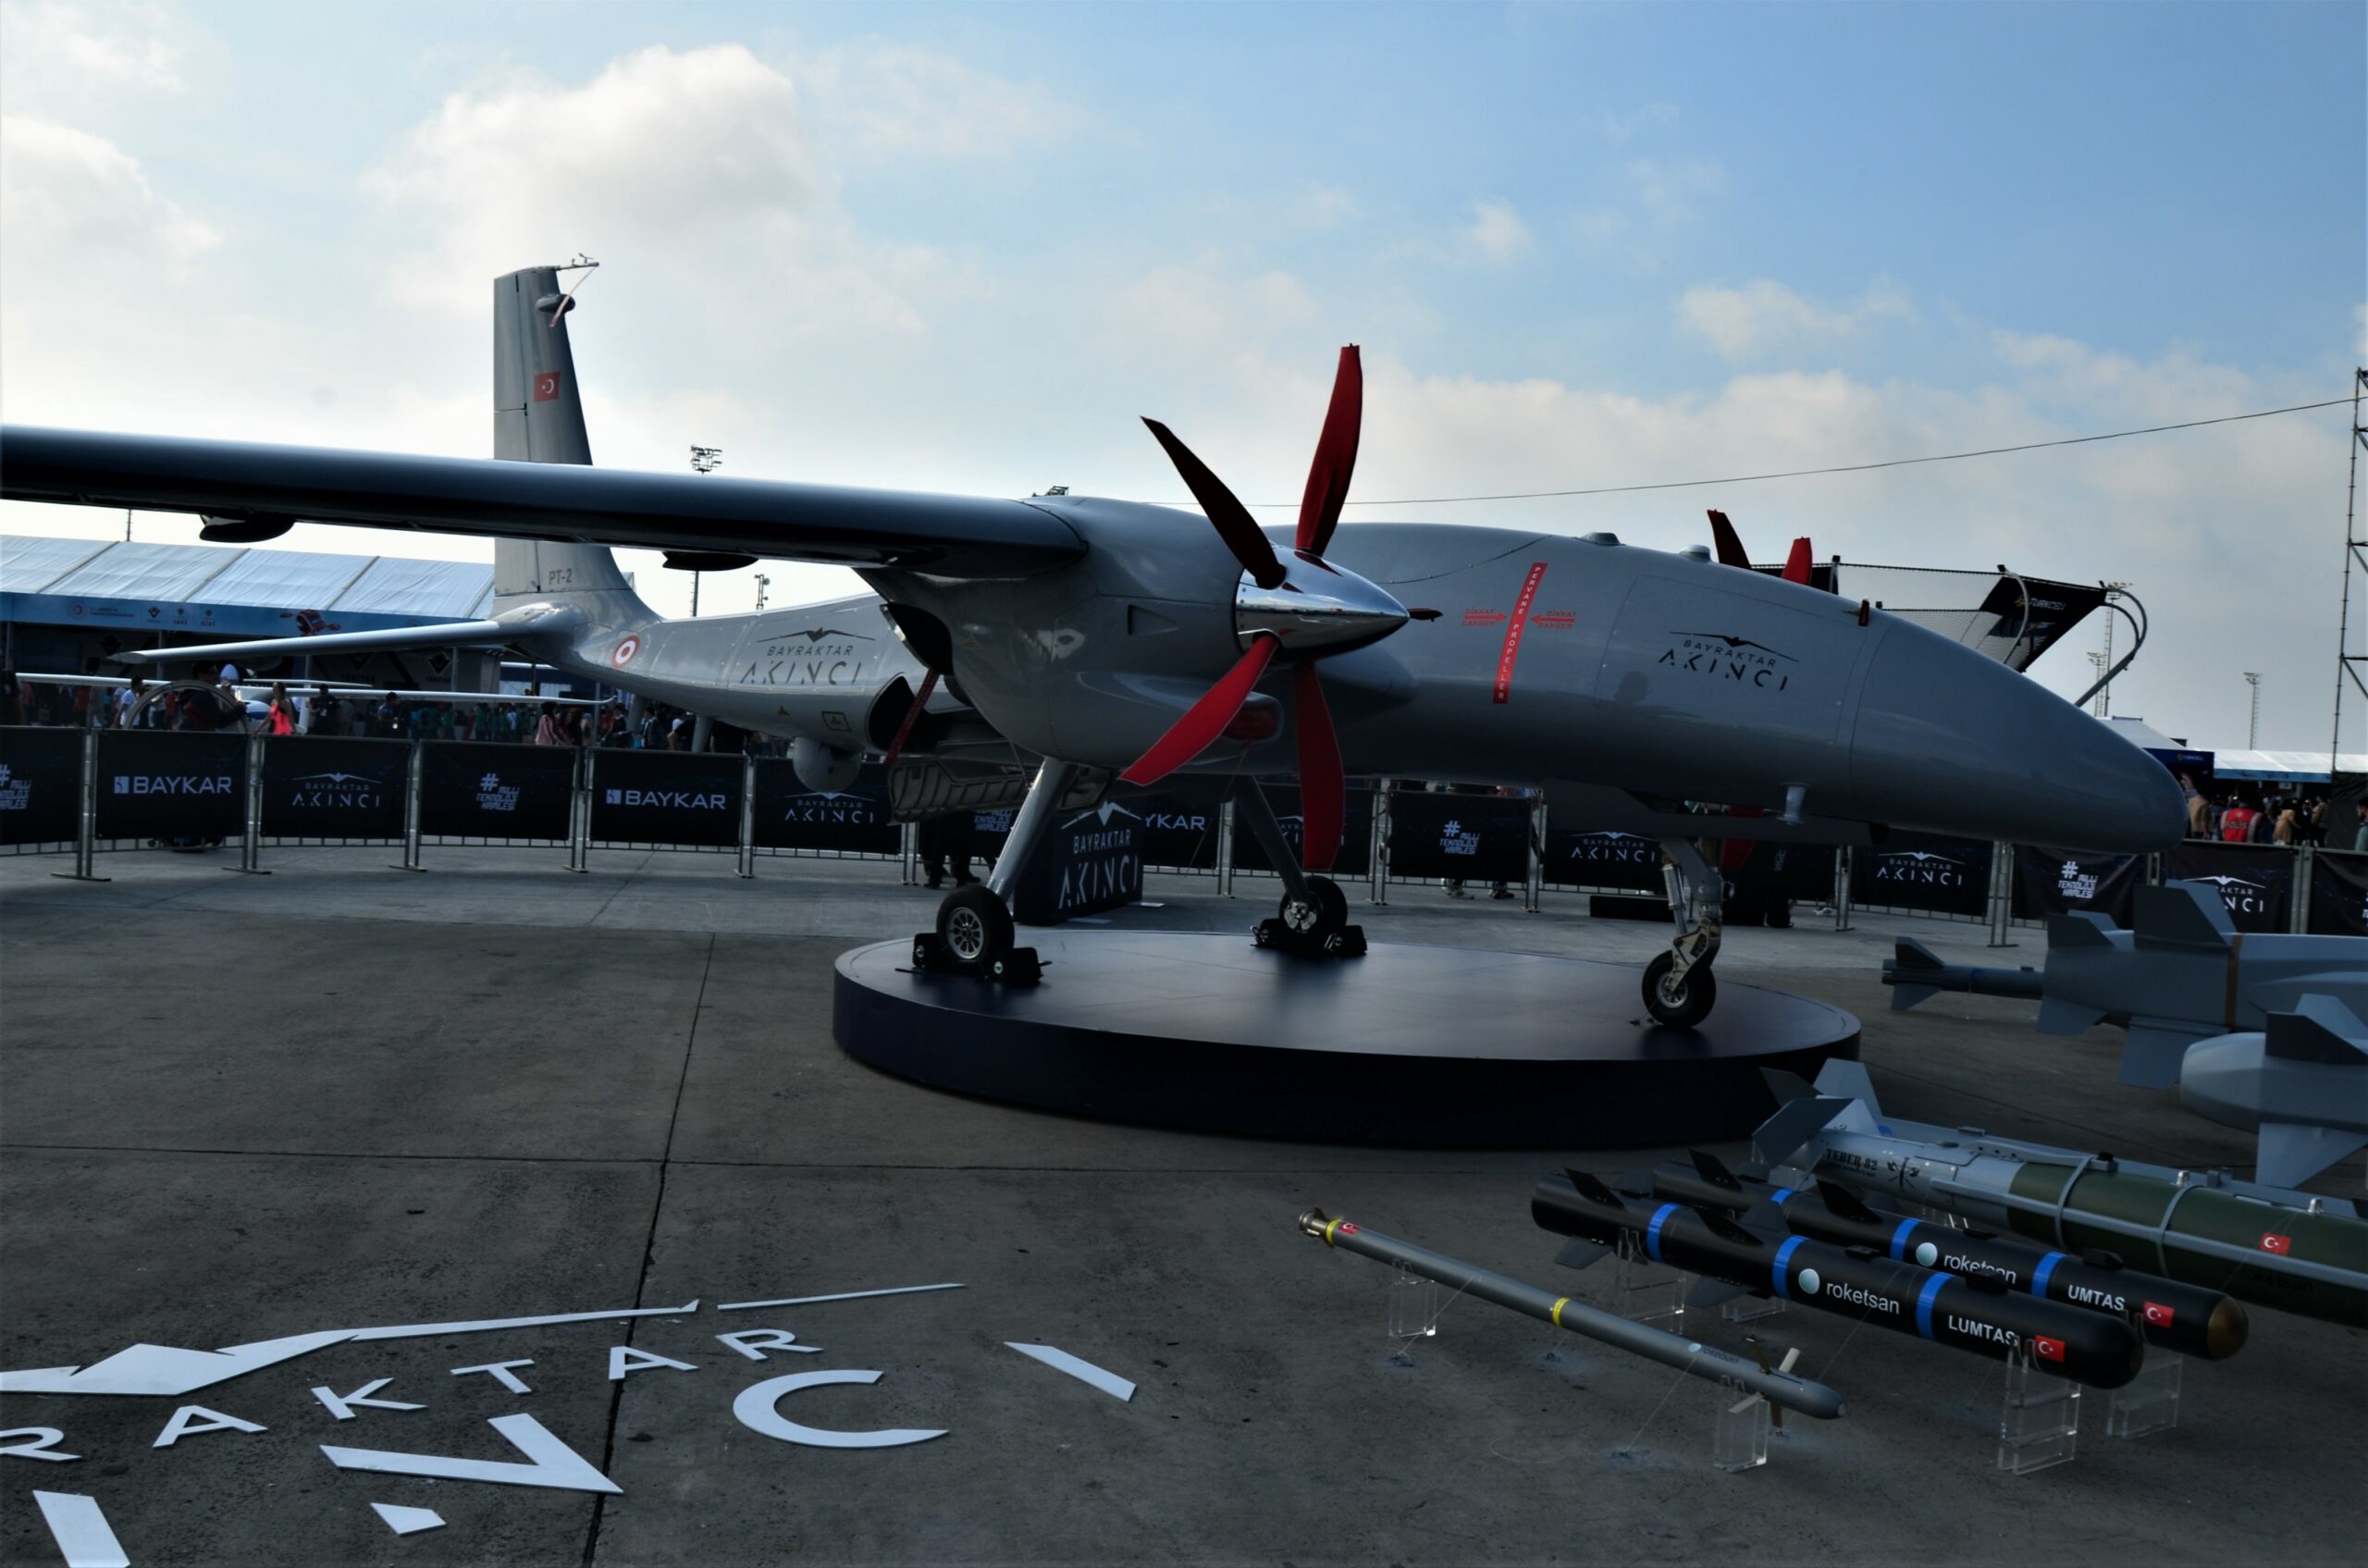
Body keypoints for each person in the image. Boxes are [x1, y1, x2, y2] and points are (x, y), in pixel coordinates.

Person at [918, 809, 979, 889]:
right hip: (965, 808)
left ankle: (935, 878)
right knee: (963, 843)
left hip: (947, 809)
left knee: (941, 843)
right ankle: (961, 878)